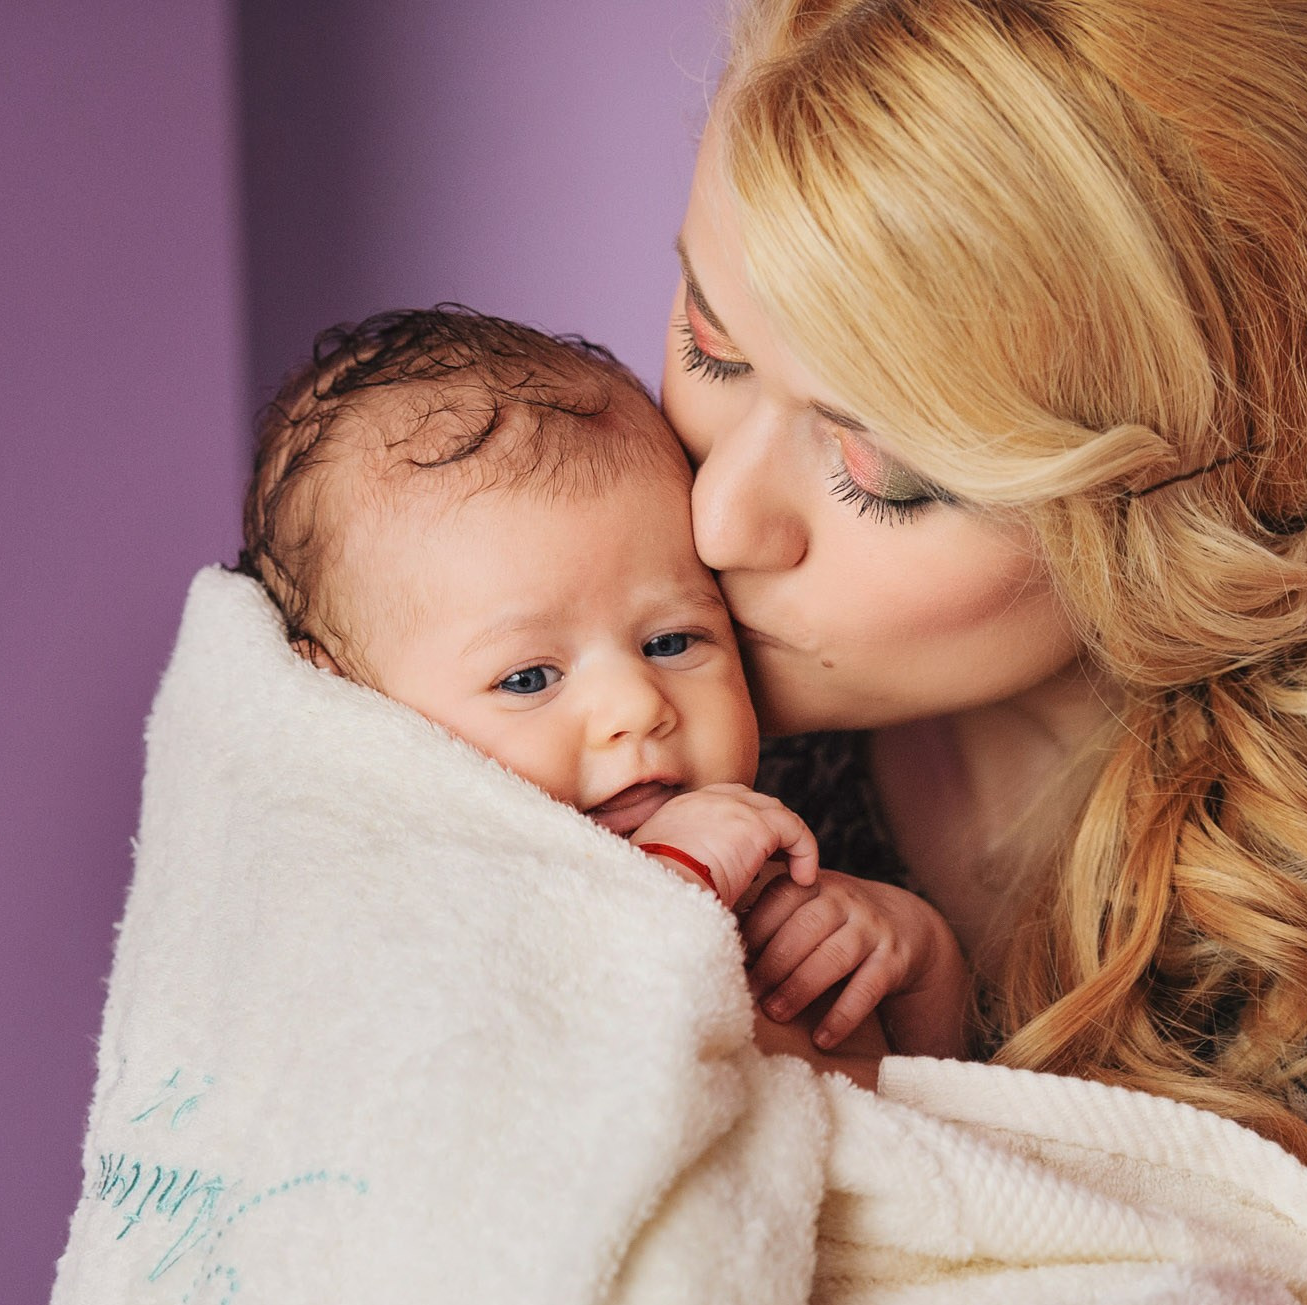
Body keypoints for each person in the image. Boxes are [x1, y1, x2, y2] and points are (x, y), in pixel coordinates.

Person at [662, 0, 1307, 1305]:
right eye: (712, 343)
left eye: (881, 471)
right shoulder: (581, 668)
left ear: (1197, 505)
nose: (715, 521)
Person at [236, 306, 962, 1059]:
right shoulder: (416, 912)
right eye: (527, 678)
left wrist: (916, 962)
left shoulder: (790, 872)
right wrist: (673, 880)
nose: (636, 707)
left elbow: (944, 1123)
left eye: (672, 640)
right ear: (354, 711)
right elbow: (547, 1074)